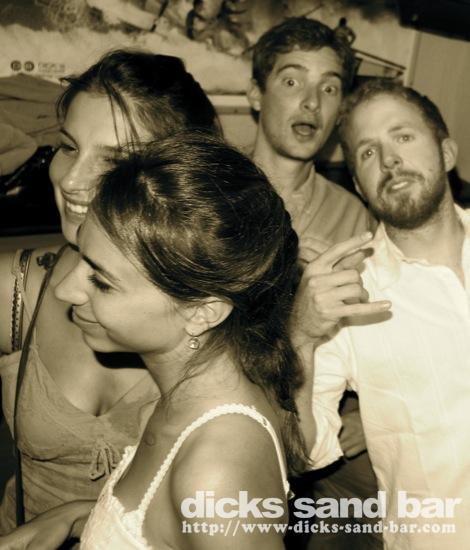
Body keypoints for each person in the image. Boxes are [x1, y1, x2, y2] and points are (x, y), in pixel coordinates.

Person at [3, 133, 308, 549]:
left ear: (201, 312)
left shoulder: (217, 472)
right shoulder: (180, 397)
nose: (65, 290)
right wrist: (77, 516)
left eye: (101, 281)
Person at [0, 49, 220, 534]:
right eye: (68, 147)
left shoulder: (214, 309)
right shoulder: (18, 287)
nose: (71, 180)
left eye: (115, 160)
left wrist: (83, 516)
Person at [308, 78, 470, 548]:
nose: (389, 159)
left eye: (403, 136)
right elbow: (305, 451)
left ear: (447, 153)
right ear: (359, 185)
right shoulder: (347, 296)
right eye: (367, 151)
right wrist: (301, 334)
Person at [247, 18, 380, 549]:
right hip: (227, 421)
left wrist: (368, 415)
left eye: (329, 88)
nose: (311, 102)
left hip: (315, 432)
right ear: (255, 93)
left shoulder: (355, 218)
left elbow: (375, 340)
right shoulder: (208, 192)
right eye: (291, 80)